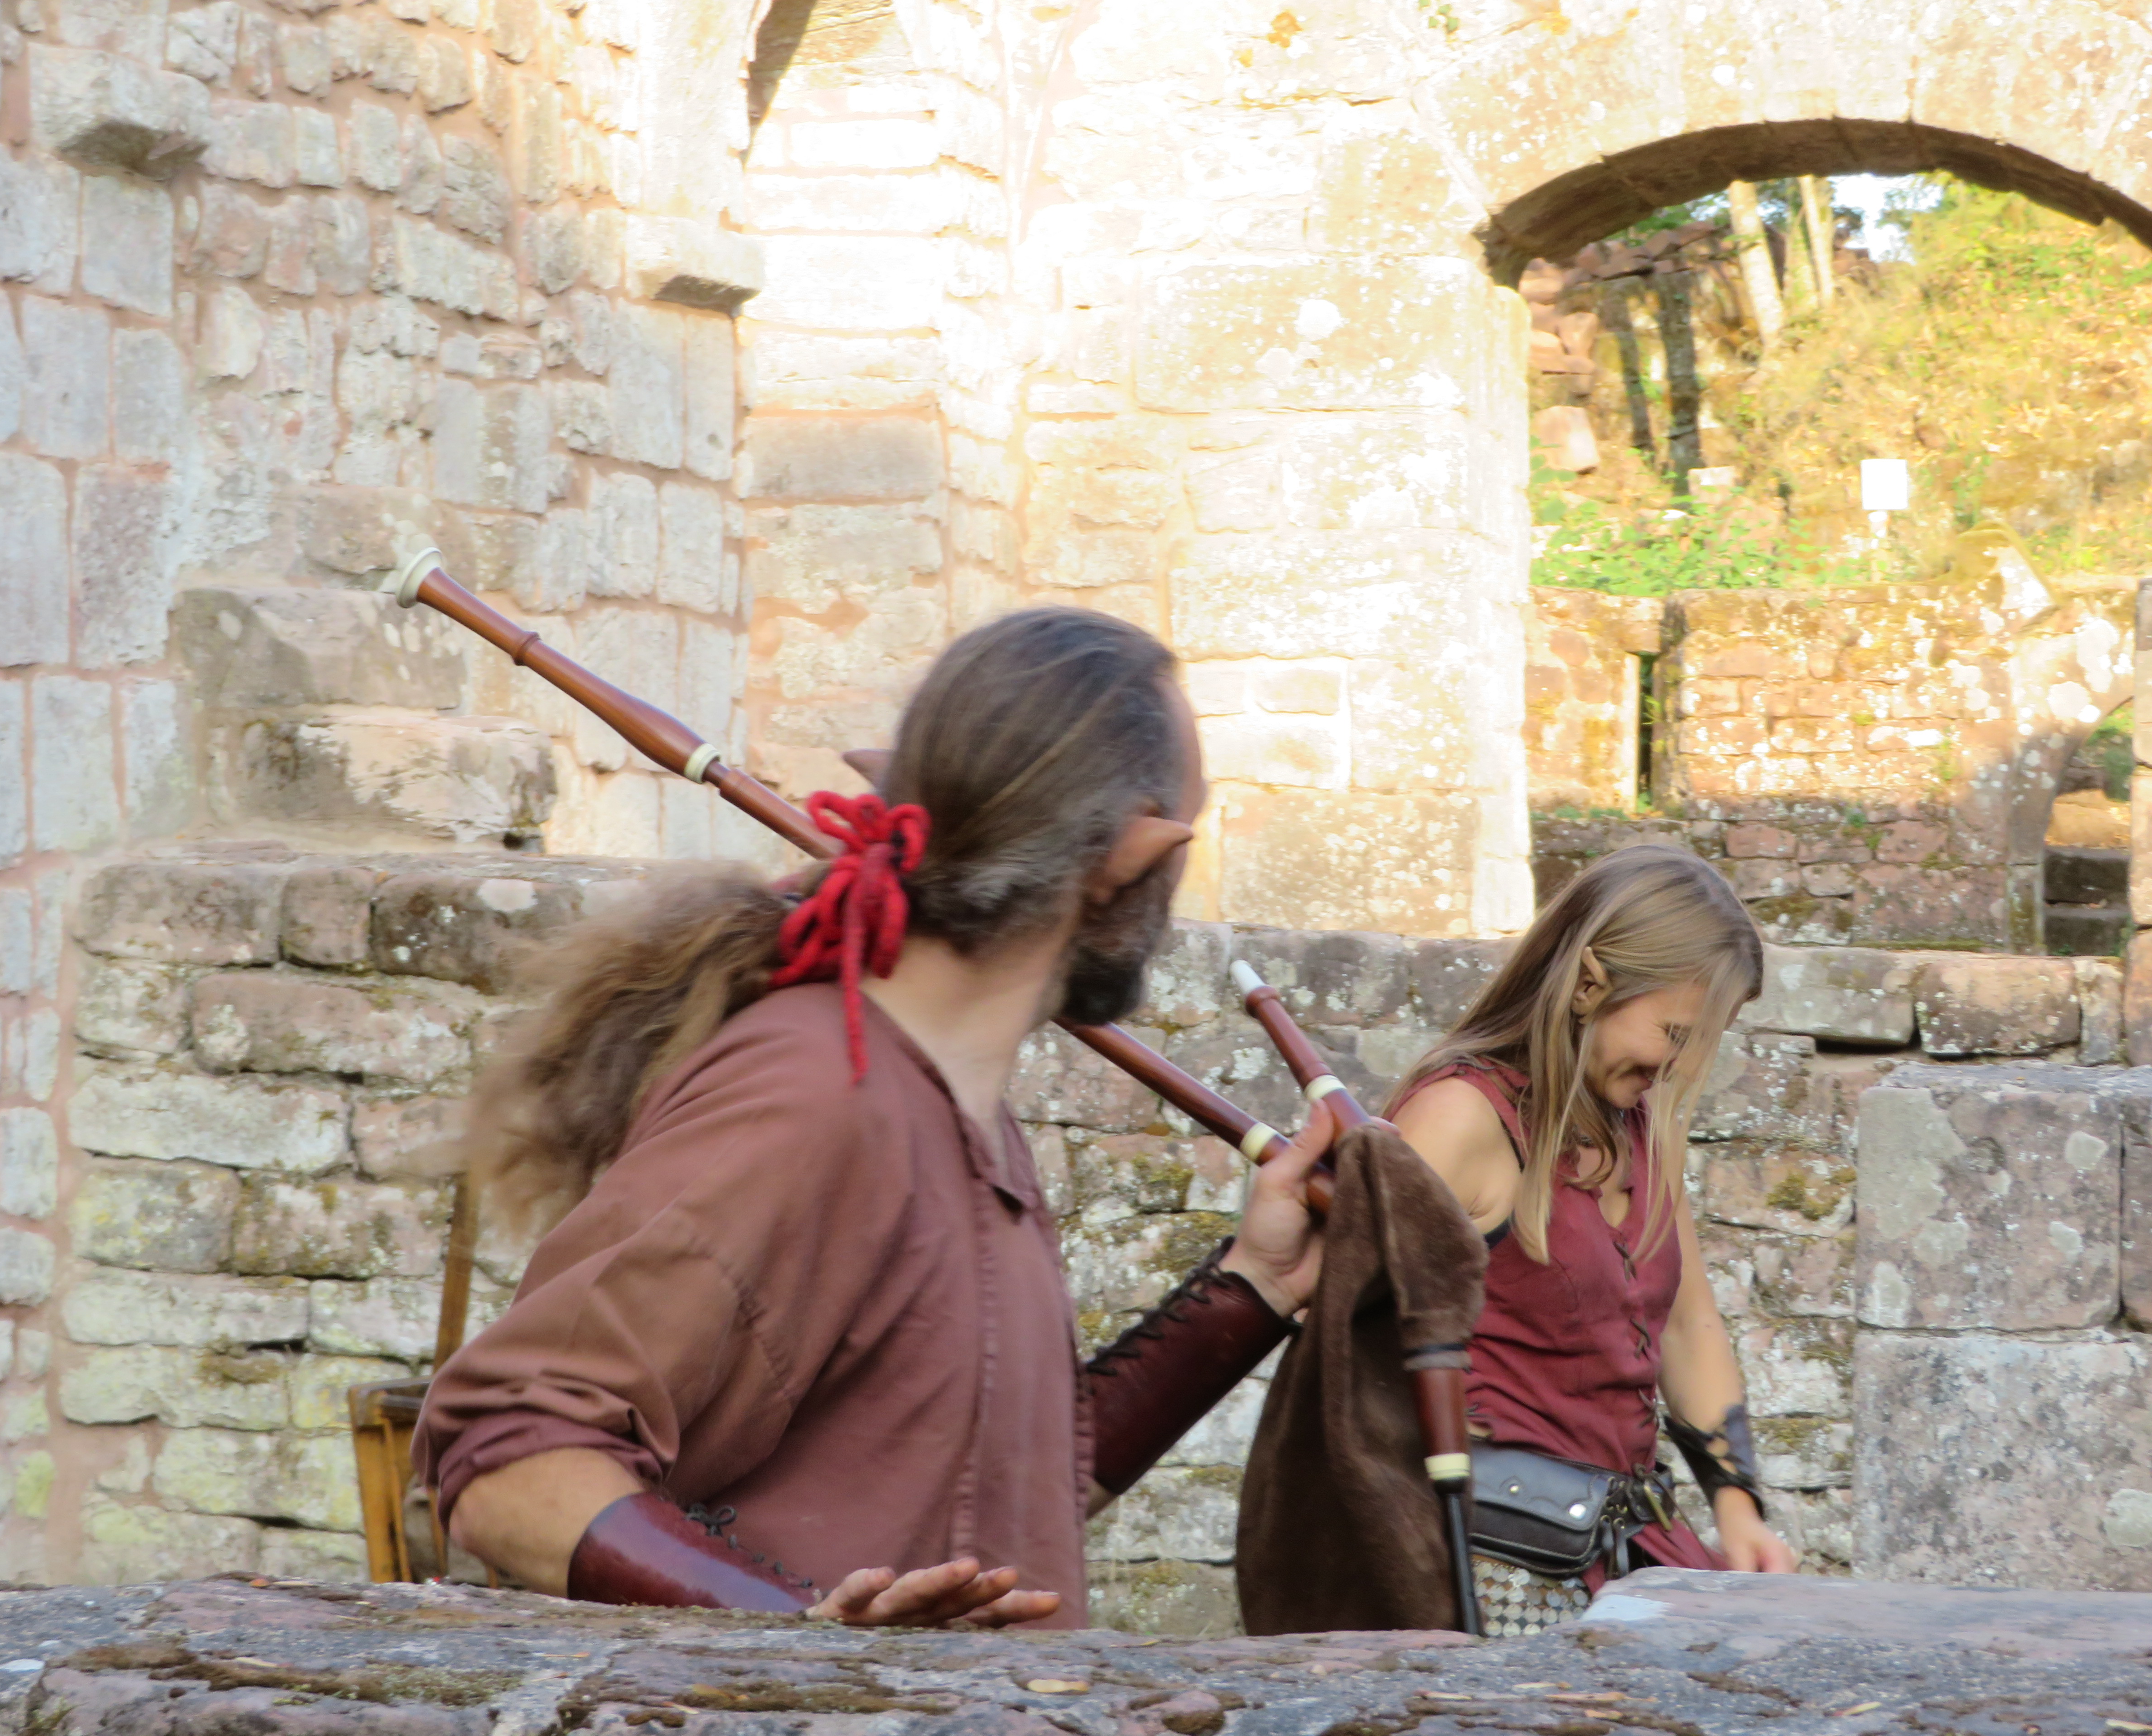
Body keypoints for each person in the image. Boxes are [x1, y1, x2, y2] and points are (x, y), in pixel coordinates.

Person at [414, 607, 1333, 1628]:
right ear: (1134, 852)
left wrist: (1253, 1289)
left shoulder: (961, 1113)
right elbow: (511, 1460)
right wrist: (808, 1643)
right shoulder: (815, 1092)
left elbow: (1003, 1499)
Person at [1385, 844, 1797, 1637]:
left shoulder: (1638, 1132)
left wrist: (1737, 1505)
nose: (1680, 1067)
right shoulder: (1458, 1121)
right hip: (1490, 1563)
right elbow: (1345, 1342)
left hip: (1629, 1541)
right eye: (1675, 1032)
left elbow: (1688, 1327)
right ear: (1589, 984)